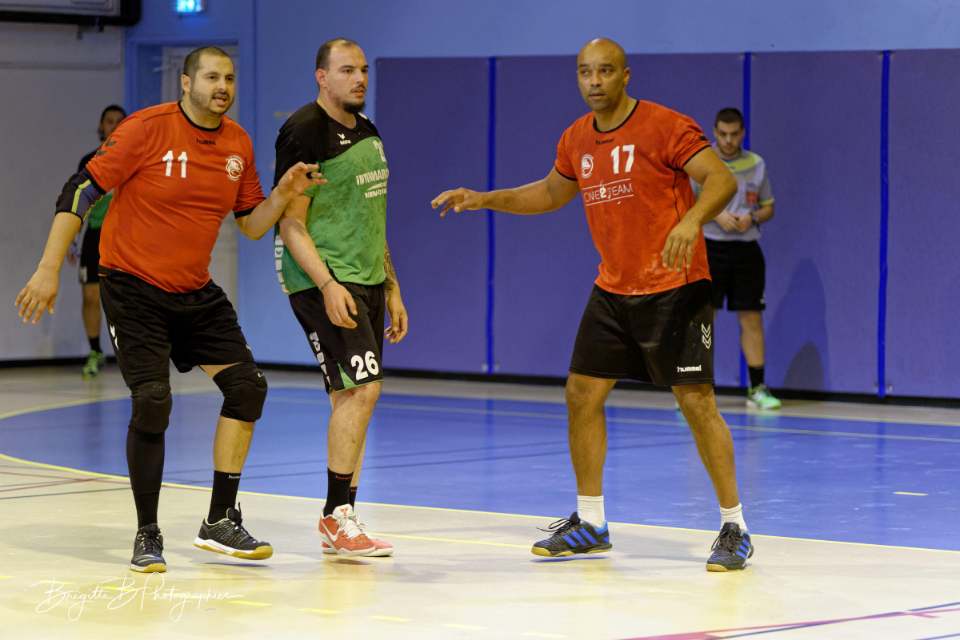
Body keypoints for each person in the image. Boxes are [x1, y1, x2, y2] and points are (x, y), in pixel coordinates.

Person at [432, 38, 754, 571]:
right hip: (614, 288)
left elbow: (721, 178)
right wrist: (485, 198)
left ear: (625, 75)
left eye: (605, 71)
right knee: (581, 393)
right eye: (585, 72)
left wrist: (691, 221)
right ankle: (591, 522)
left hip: (674, 284)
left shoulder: (665, 125)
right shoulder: (576, 137)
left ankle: (734, 526)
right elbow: (550, 194)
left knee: (697, 402)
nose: (594, 81)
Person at [16, 46, 323, 573]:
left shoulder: (237, 143)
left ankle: (220, 519)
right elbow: (81, 188)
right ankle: (147, 532)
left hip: (194, 291)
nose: (222, 87)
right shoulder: (146, 129)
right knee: (153, 400)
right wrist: (48, 269)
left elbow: (252, 224)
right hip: (132, 288)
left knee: (248, 388)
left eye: (229, 78)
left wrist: (284, 192)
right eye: (211, 77)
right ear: (185, 83)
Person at [274, 38, 407, 557]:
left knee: (352, 397)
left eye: (364, 70)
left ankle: (344, 516)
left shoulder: (368, 130)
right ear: (321, 77)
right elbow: (291, 223)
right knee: (364, 390)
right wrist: (328, 284)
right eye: (347, 70)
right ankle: (335, 515)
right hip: (323, 279)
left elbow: (373, 217)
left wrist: (392, 287)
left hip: (367, 278)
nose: (359, 78)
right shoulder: (304, 130)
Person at [697, 108, 780, 410]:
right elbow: (688, 203)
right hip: (710, 249)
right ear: (715, 132)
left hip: (746, 251)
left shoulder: (756, 164)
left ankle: (757, 388)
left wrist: (752, 218)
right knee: (704, 319)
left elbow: (768, 207)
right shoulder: (702, 162)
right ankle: (697, 389)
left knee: (751, 317)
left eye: (734, 134)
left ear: (742, 133)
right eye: (723, 134)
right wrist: (716, 214)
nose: (728, 140)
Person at [72, 104, 127, 378]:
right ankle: (95, 351)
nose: (114, 125)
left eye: (119, 121)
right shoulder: (89, 161)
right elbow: (78, 202)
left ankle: (134, 354)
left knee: (127, 298)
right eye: (109, 121)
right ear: (101, 126)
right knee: (91, 296)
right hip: (94, 236)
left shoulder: (135, 159)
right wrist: (72, 240)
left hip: (125, 236)